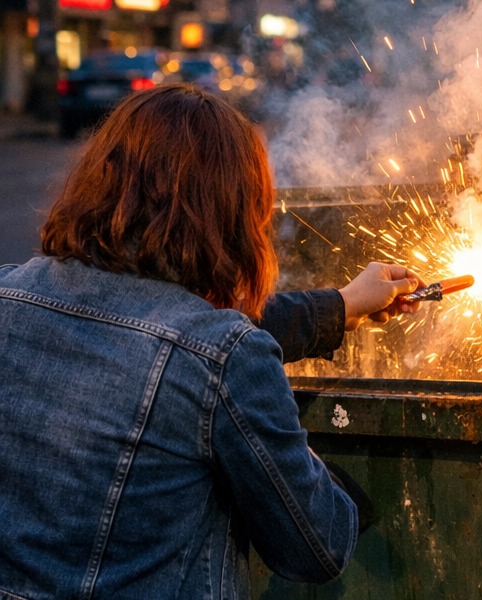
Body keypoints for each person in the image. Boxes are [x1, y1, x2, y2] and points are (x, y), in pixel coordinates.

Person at [0, 84, 422, 599]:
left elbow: (168, 335)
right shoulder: (224, 358)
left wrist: (339, 306)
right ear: (230, 213)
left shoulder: (8, 296)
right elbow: (318, 546)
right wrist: (301, 466)